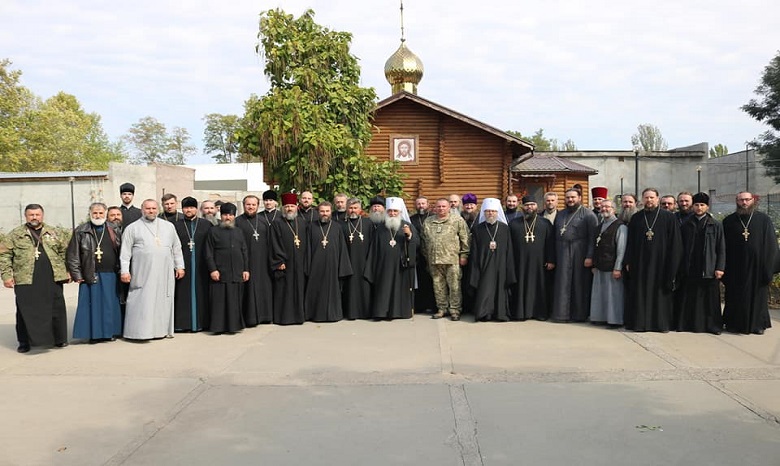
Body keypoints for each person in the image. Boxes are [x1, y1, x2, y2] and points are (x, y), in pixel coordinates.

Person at [0, 204, 71, 353]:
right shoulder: (15, 234)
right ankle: (24, 342)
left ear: (42, 215)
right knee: (25, 311)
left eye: (37, 215)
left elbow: (65, 251)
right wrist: (6, 276)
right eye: (31, 215)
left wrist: (68, 271)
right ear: (26, 216)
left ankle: (59, 339)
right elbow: (4, 255)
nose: (34, 217)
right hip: (25, 278)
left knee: (55, 308)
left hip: (51, 277)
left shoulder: (53, 232)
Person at [120, 199, 185, 340]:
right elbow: (125, 253)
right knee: (142, 300)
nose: (151, 211)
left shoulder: (168, 226)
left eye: (154, 208)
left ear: (158, 209)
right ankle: (139, 333)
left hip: (164, 272)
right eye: (148, 208)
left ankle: (161, 331)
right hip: (143, 272)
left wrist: (180, 266)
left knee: (163, 300)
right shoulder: (132, 228)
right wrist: (124, 271)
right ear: (142, 210)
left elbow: (177, 248)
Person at [624, 188, 682, 332]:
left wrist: (673, 264)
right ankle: (640, 323)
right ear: (642, 200)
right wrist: (628, 261)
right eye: (646, 198)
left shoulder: (669, 218)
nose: (649, 200)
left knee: (660, 294)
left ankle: (660, 324)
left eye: (651, 197)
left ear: (657, 199)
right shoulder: (636, 218)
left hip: (661, 264)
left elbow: (675, 243)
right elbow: (630, 242)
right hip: (640, 263)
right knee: (640, 293)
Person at [722, 191, 779, 334]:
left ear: (753, 200)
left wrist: (769, 267)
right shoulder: (728, 221)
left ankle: (758, 325)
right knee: (735, 296)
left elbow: (771, 244)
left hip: (758, 268)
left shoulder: (763, 220)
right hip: (735, 267)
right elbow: (722, 246)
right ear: (737, 201)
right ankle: (734, 324)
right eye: (741, 200)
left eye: (747, 200)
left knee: (757, 297)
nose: (744, 203)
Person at [66, 202, 122, 342]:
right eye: (95, 213)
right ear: (90, 214)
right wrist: (77, 275)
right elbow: (73, 255)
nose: (98, 215)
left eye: (101, 213)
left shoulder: (114, 229)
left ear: (105, 213)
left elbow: (121, 250)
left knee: (109, 306)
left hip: (110, 274)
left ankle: (109, 333)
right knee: (91, 307)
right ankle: (93, 334)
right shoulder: (81, 230)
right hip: (90, 273)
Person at [677, 193, 725, 334]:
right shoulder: (686, 224)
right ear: (693, 206)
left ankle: (712, 326)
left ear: (707, 207)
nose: (699, 208)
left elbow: (721, 248)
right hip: (691, 267)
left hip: (708, 267)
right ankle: (689, 325)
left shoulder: (715, 225)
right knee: (690, 298)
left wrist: (720, 267)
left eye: (702, 205)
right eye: (697, 205)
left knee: (709, 300)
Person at [364, 197, 418, 320]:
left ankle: (400, 312)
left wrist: (409, 235)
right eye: (390, 211)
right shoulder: (381, 228)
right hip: (384, 266)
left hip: (401, 266)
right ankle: (382, 312)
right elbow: (374, 248)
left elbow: (417, 244)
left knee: (399, 290)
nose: (392, 214)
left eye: (395, 211)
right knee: (384, 288)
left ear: (400, 212)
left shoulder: (407, 226)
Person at [552, 188, 598, 322]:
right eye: (567, 198)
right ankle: (561, 314)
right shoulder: (561, 214)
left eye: (573, 197)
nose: (570, 200)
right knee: (562, 283)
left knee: (579, 283)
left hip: (580, 252)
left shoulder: (588, 215)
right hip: (562, 251)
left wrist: (589, 256)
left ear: (579, 198)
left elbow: (592, 238)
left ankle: (579, 315)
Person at [508, 196, 556, 321]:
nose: (529, 207)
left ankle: (539, 313)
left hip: (540, 263)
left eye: (532, 204)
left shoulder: (545, 223)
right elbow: (509, 245)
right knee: (520, 287)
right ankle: (520, 313)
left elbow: (550, 243)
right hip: (520, 262)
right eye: (527, 205)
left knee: (540, 286)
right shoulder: (513, 224)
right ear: (522, 207)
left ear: (537, 206)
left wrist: (551, 260)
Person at [204, 203, 249, 334]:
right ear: (221, 215)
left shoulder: (239, 231)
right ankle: (218, 327)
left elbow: (244, 251)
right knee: (219, 302)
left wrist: (246, 269)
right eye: (225, 215)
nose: (227, 217)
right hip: (220, 272)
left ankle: (234, 326)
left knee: (235, 301)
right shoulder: (213, 231)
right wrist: (213, 269)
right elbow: (208, 252)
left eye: (230, 215)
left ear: (234, 216)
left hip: (237, 272)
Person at [468, 198, 515, 321]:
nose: (490, 214)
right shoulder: (478, 229)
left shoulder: (505, 228)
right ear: (484, 212)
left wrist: (509, 267)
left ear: (497, 212)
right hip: (484, 265)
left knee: (500, 289)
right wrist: (476, 266)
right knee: (485, 289)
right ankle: (484, 314)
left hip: (501, 264)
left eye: (493, 211)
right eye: (488, 211)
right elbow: (475, 250)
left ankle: (500, 314)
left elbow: (509, 249)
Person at [423, 198, 470, 321]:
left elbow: (465, 238)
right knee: (438, 286)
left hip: (452, 259)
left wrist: (464, 255)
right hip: (434, 259)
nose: (441, 209)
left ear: (449, 207)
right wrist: (427, 256)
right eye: (439, 207)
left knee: (454, 286)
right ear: (435, 208)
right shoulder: (428, 221)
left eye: (444, 206)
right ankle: (442, 308)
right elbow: (424, 241)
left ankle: (455, 310)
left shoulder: (457, 220)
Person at [305, 202, 352, 322]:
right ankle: (315, 315)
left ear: (331, 212)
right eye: (322, 211)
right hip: (316, 266)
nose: (324, 214)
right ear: (318, 212)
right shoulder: (311, 227)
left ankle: (333, 315)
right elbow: (307, 249)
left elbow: (342, 248)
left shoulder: (337, 227)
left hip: (333, 265)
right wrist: (308, 266)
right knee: (316, 291)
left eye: (327, 211)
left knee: (332, 291)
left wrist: (342, 268)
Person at [173, 196, 212, 332]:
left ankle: (202, 323)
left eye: (191, 207)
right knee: (182, 295)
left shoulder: (206, 224)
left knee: (202, 293)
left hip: (202, 265)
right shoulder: (176, 225)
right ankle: (183, 324)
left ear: (196, 209)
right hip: (183, 265)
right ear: (182, 209)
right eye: (186, 207)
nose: (189, 210)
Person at [235, 194, 274, 326]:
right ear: (243, 205)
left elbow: (270, 242)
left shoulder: (263, 221)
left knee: (264, 288)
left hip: (263, 262)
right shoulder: (237, 222)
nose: (251, 207)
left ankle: (264, 316)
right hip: (245, 263)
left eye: (253, 205)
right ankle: (249, 318)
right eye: (248, 204)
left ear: (258, 206)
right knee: (248, 291)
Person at [270, 193, 308, 325]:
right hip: (285, 263)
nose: (289, 209)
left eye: (292, 206)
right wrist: (279, 261)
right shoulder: (276, 223)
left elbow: (307, 243)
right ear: (282, 208)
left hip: (300, 262)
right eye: (286, 206)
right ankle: (284, 318)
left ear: (297, 207)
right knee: (284, 290)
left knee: (299, 288)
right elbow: (274, 243)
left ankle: (299, 317)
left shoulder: (302, 223)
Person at [589, 200, 627, 327]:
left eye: (608, 207)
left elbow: (621, 249)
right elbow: (595, 246)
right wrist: (594, 264)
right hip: (600, 265)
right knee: (600, 293)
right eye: (603, 207)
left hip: (612, 266)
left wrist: (618, 268)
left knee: (613, 295)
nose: (604, 209)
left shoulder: (620, 226)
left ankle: (614, 320)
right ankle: (600, 317)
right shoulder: (599, 226)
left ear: (614, 209)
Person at [341, 197, 373, 319]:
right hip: (348, 262)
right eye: (350, 208)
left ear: (360, 209)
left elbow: (373, 244)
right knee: (350, 290)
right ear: (346, 209)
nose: (353, 210)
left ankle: (366, 313)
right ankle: (351, 313)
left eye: (355, 208)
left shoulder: (368, 223)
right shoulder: (342, 225)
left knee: (365, 288)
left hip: (365, 262)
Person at [410, 196, 436, 313]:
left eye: (423, 203)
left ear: (428, 204)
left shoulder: (432, 218)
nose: (421, 206)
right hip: (417, 254)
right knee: (419, 280)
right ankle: (419, 305)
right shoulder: (412, 219)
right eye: (419, 204)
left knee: (432, 280)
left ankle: (432, 305)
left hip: (431, 253)